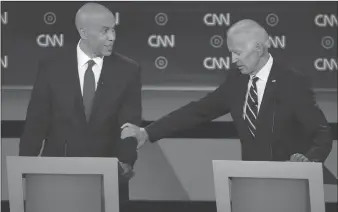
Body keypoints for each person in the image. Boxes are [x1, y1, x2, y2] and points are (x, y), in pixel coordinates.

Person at [121, 19, 333, 163]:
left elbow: (322, 132)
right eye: (231, 53)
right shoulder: (237, 81)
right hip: (249, 182)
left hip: (291, 183)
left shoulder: (292, 81)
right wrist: (148, 132)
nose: (233, 59)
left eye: (237, 53)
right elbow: (199, 111)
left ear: (258, 49)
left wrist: (309, 162)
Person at [19, 2, 141, 208]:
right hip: (57, 174)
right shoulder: (52, 66)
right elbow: (36, 121)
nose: (112, 37)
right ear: (84, 33)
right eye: (105, 31)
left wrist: (126, 161)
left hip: (108, 176)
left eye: (113, 30)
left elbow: (129, 121)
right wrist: (24, 166)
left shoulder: (128, 70)